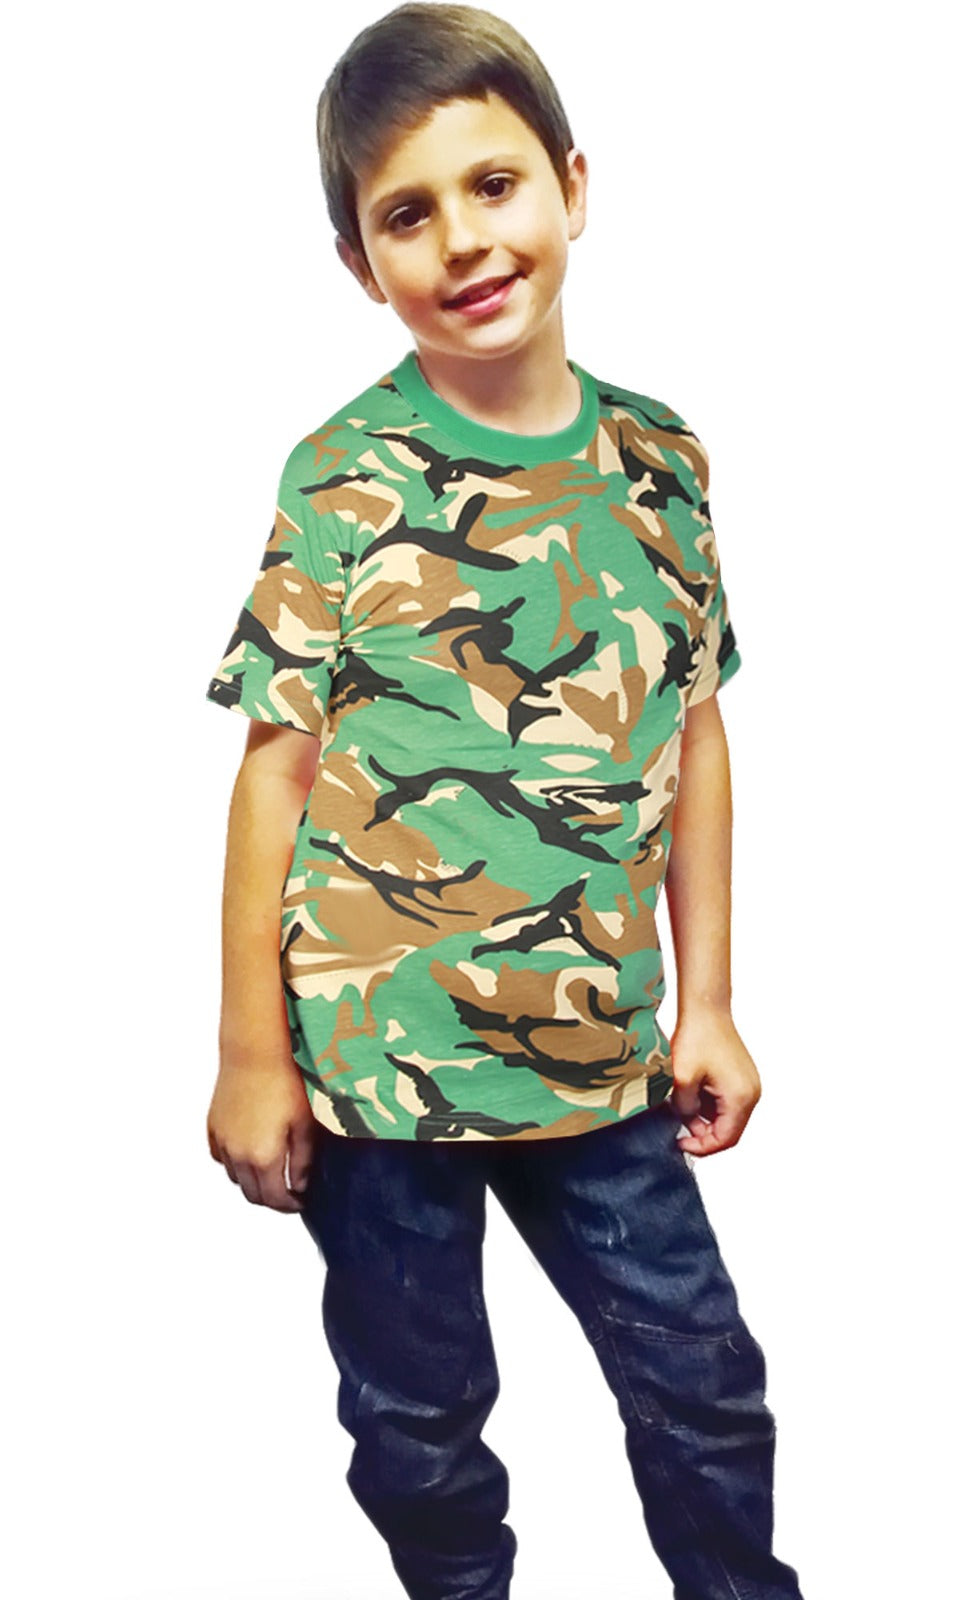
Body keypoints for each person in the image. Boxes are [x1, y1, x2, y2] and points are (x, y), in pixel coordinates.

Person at [204, 5, 806, 1597]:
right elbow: (277, 772)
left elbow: (692, 731)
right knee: (416, 1425)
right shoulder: (342, 476)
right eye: (407, 214)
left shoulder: (662, 463)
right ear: (360, 264)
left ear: (572, 186)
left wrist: (710, 1002)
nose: (464, 239)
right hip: (378, 1071)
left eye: (493, 184)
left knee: (703, 1389)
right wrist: (251, 1054)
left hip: (600, 1057)